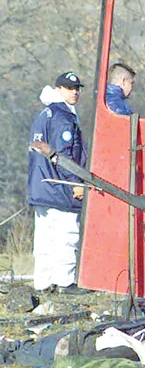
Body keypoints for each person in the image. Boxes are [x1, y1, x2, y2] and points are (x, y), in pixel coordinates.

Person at [26, 72, 89, 294]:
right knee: (66, 234)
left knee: (44, 238)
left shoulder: (46, 113)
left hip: (41, 185)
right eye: (70, 88)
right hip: (58, 185)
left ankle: (43, 283)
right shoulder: (63, 116)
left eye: (77, 88)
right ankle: (64, 281)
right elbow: (64, 156)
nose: (75, 92)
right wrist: (76, 183)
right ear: (58, 89)